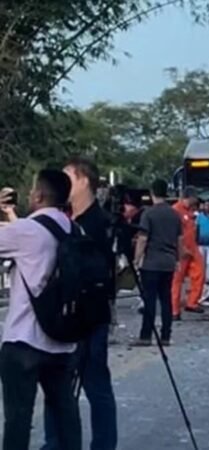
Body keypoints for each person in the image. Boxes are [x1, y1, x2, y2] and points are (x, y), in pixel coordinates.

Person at [0, 172, 82, 450]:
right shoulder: (75, 230)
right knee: (65, 415)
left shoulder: (27, 230)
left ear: (38, 196)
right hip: (63, 340)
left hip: (24, 340)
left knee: (18, 420)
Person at [42, 158, 118, 450]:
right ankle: (55, 444)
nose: (63, 185)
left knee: (95, 383)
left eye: (68, 178)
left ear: (84, 180)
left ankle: (103, 444)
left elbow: (103, 271)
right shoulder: (64, 218)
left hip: (92, 314)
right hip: (65, 314)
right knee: (56, 384)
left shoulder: (99, 223)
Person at [132, 180, 182, 347]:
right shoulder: (175, 214)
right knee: (166, 300)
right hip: (168, 262)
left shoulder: (149, 213)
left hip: (151, 263)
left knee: (150, 300)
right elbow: (180, 240)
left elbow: (143, 238)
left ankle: (146, 336)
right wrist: (178, 259)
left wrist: (137, 258)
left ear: (152, 193)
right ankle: (166, 336)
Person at [171, 187, 204, 318]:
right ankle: (174, 310)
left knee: (200, 273)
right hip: (181, 249)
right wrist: (180, 249)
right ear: (189, 197)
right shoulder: (175, 211)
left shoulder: (190, 211)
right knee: (177, 280)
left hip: (192, 248)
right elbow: (173, 232)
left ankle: (192, 302)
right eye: (195, 198)